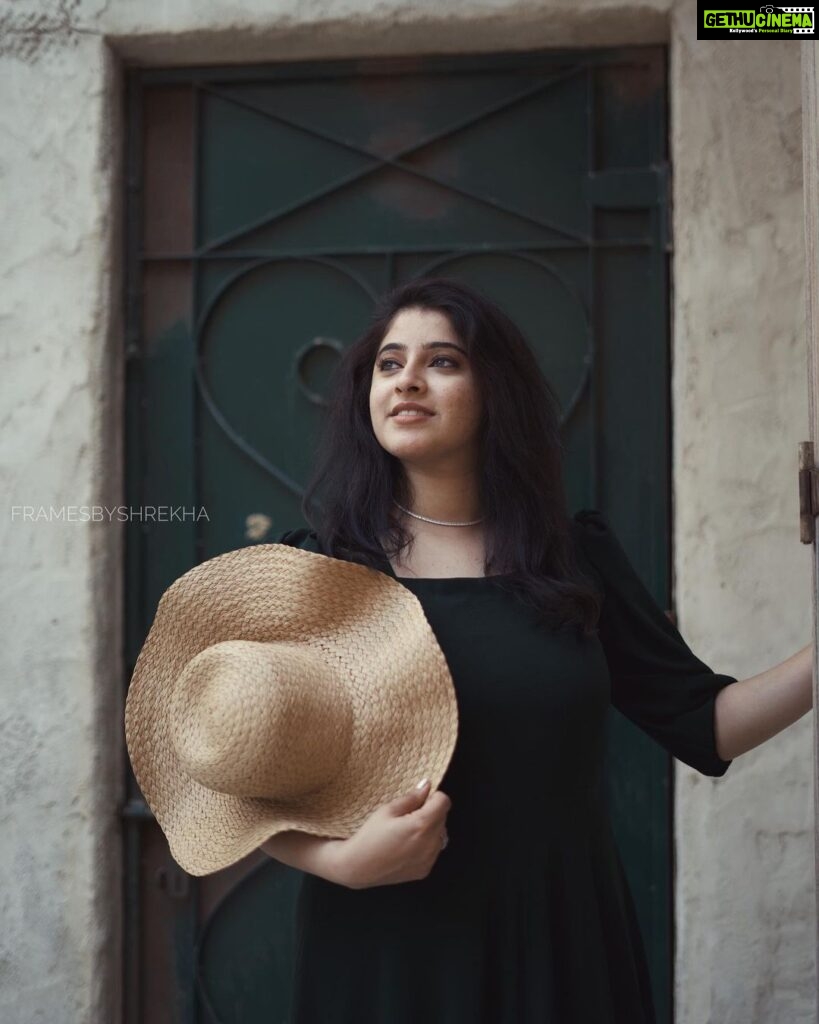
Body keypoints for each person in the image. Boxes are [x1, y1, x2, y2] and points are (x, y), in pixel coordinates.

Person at [260, 277, 814, 1023]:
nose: (408, 381)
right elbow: (235, 788)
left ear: (497, 391)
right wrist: (340, 862)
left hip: (562, 942)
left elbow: (705, 721)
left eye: (443, 362)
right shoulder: (321, 570)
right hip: (388, 952)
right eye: (389, 365)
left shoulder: (570, 560)